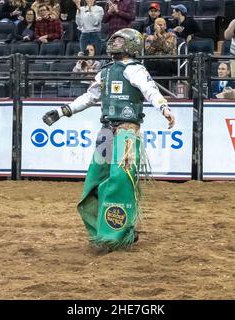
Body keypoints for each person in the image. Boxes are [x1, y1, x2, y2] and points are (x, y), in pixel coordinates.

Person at [42, 28, 175, 251]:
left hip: (127, 134)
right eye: (114, 39)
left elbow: (150, 90)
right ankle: (104, 232)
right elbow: (90, 96)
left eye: (120, 40)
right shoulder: (104, 72)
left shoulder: (135, 70)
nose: (114, 42)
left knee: (121, 181)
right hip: (106, 133)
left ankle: (118, 235)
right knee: (94, 181)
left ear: (131, 45)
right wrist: (64, 110)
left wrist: (164, 108)